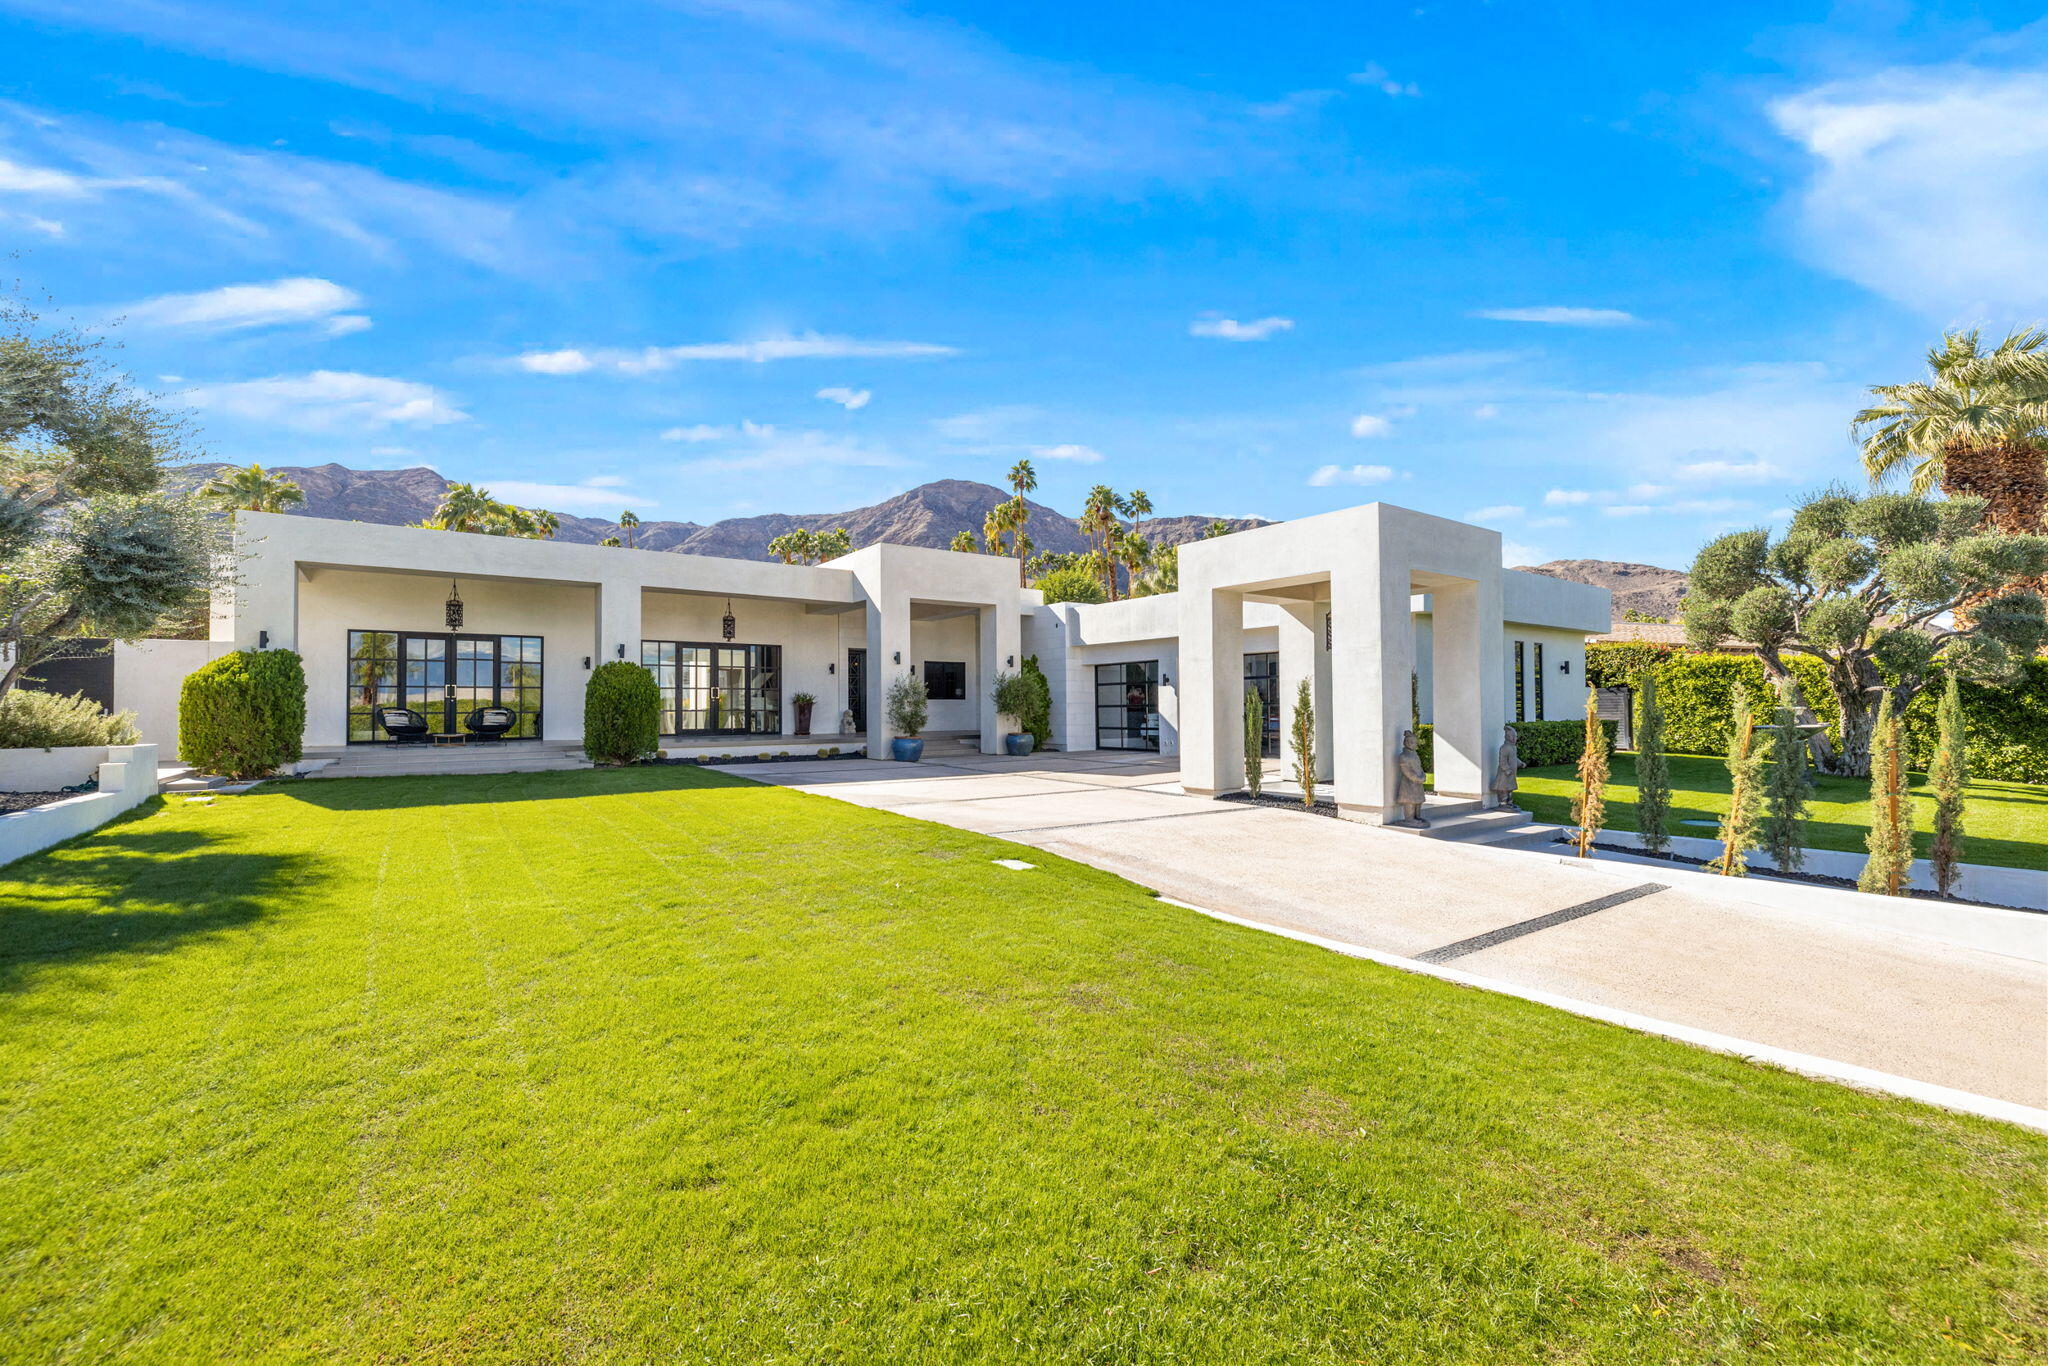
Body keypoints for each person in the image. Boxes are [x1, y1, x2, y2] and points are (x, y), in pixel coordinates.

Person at [1394, 729, 1427, 825]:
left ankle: (1417, 817)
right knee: (1410, 801)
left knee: (1418, 801)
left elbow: (1419, 767)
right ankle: (1409, 818)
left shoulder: (1415, 755)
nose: (1414, 744)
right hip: (1409, 783)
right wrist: (1417, 778)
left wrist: (1423, 775)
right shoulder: (1403, 756)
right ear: (1406, 743)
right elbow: (1406, 771)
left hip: (1418, 783)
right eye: (1412, 742)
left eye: (1415, 742)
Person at [1491, 724, 1522, 809]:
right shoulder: (1504, 748)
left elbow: (1514, 758)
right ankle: (1503, 803)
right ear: (1509, 737)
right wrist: (1507, 769)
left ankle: (1510, 802)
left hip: (1512, 774)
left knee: (1510, 788)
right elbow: (1502, 761)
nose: (1516, 739)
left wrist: (1521, 763)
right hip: (1505, 774)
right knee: (1504, 788)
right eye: (1514, 737)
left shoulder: (1513, 748)